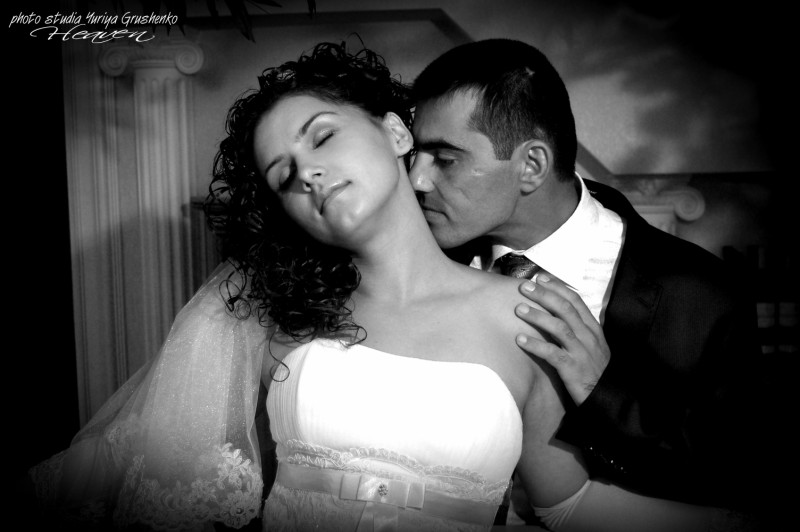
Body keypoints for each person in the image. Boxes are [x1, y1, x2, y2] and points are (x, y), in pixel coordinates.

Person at [27, 42, 756, 532]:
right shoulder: (269, 306)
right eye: (282, 174)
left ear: (396, 135)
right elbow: (143, 460)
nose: (307, 172)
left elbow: (570, 504)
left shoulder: (525, 313)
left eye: (321, 136)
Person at [409, 37, 777, 519]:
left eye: (444, 158)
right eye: (415, 155)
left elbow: (739, 476)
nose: (416, 179)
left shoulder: (699, 293)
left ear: (532, 165)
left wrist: (603, 393)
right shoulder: (415, 262)